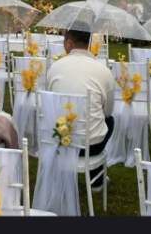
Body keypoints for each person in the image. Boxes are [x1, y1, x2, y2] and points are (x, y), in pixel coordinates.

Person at [46, 30, 115, 182]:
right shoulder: (104, 71)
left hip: (59, 141)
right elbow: (108, 111)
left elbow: (48, 104)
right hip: (91, 146)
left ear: (69, 43)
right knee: (110, 121)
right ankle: (96, 177)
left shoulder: (54, 68)